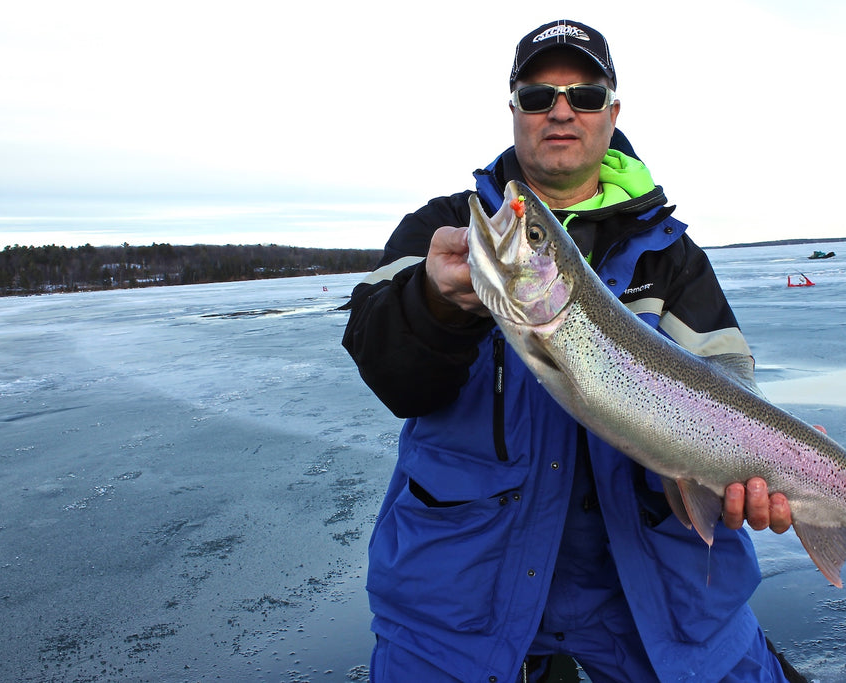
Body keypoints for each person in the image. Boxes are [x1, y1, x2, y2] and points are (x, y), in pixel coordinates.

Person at [342, 19, 804, 683]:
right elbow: (390, 373)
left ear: (612, 112)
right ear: (514, 111)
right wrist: (436, 304)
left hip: (655, 588)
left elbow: (731, 383)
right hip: (462, 592)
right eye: (538, 96)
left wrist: (767, 461)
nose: (561, 110)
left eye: (584, 95)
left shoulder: (671, 257)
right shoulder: (447, 228)